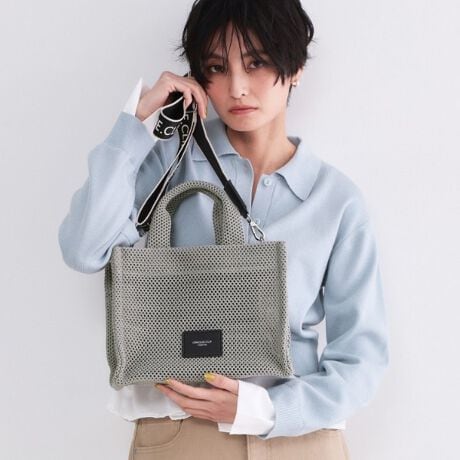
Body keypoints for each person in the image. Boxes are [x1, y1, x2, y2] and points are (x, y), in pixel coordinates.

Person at [58, 0, 389, 458]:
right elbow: (83, 248)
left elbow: (362, 358)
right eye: (216, 67)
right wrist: (135, 125)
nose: (236, 88)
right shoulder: (168, 162)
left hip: (301, 439)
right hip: (182, 434)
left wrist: (265, 409)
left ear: (296, 68)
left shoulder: (335, 199)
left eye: (256, 63)